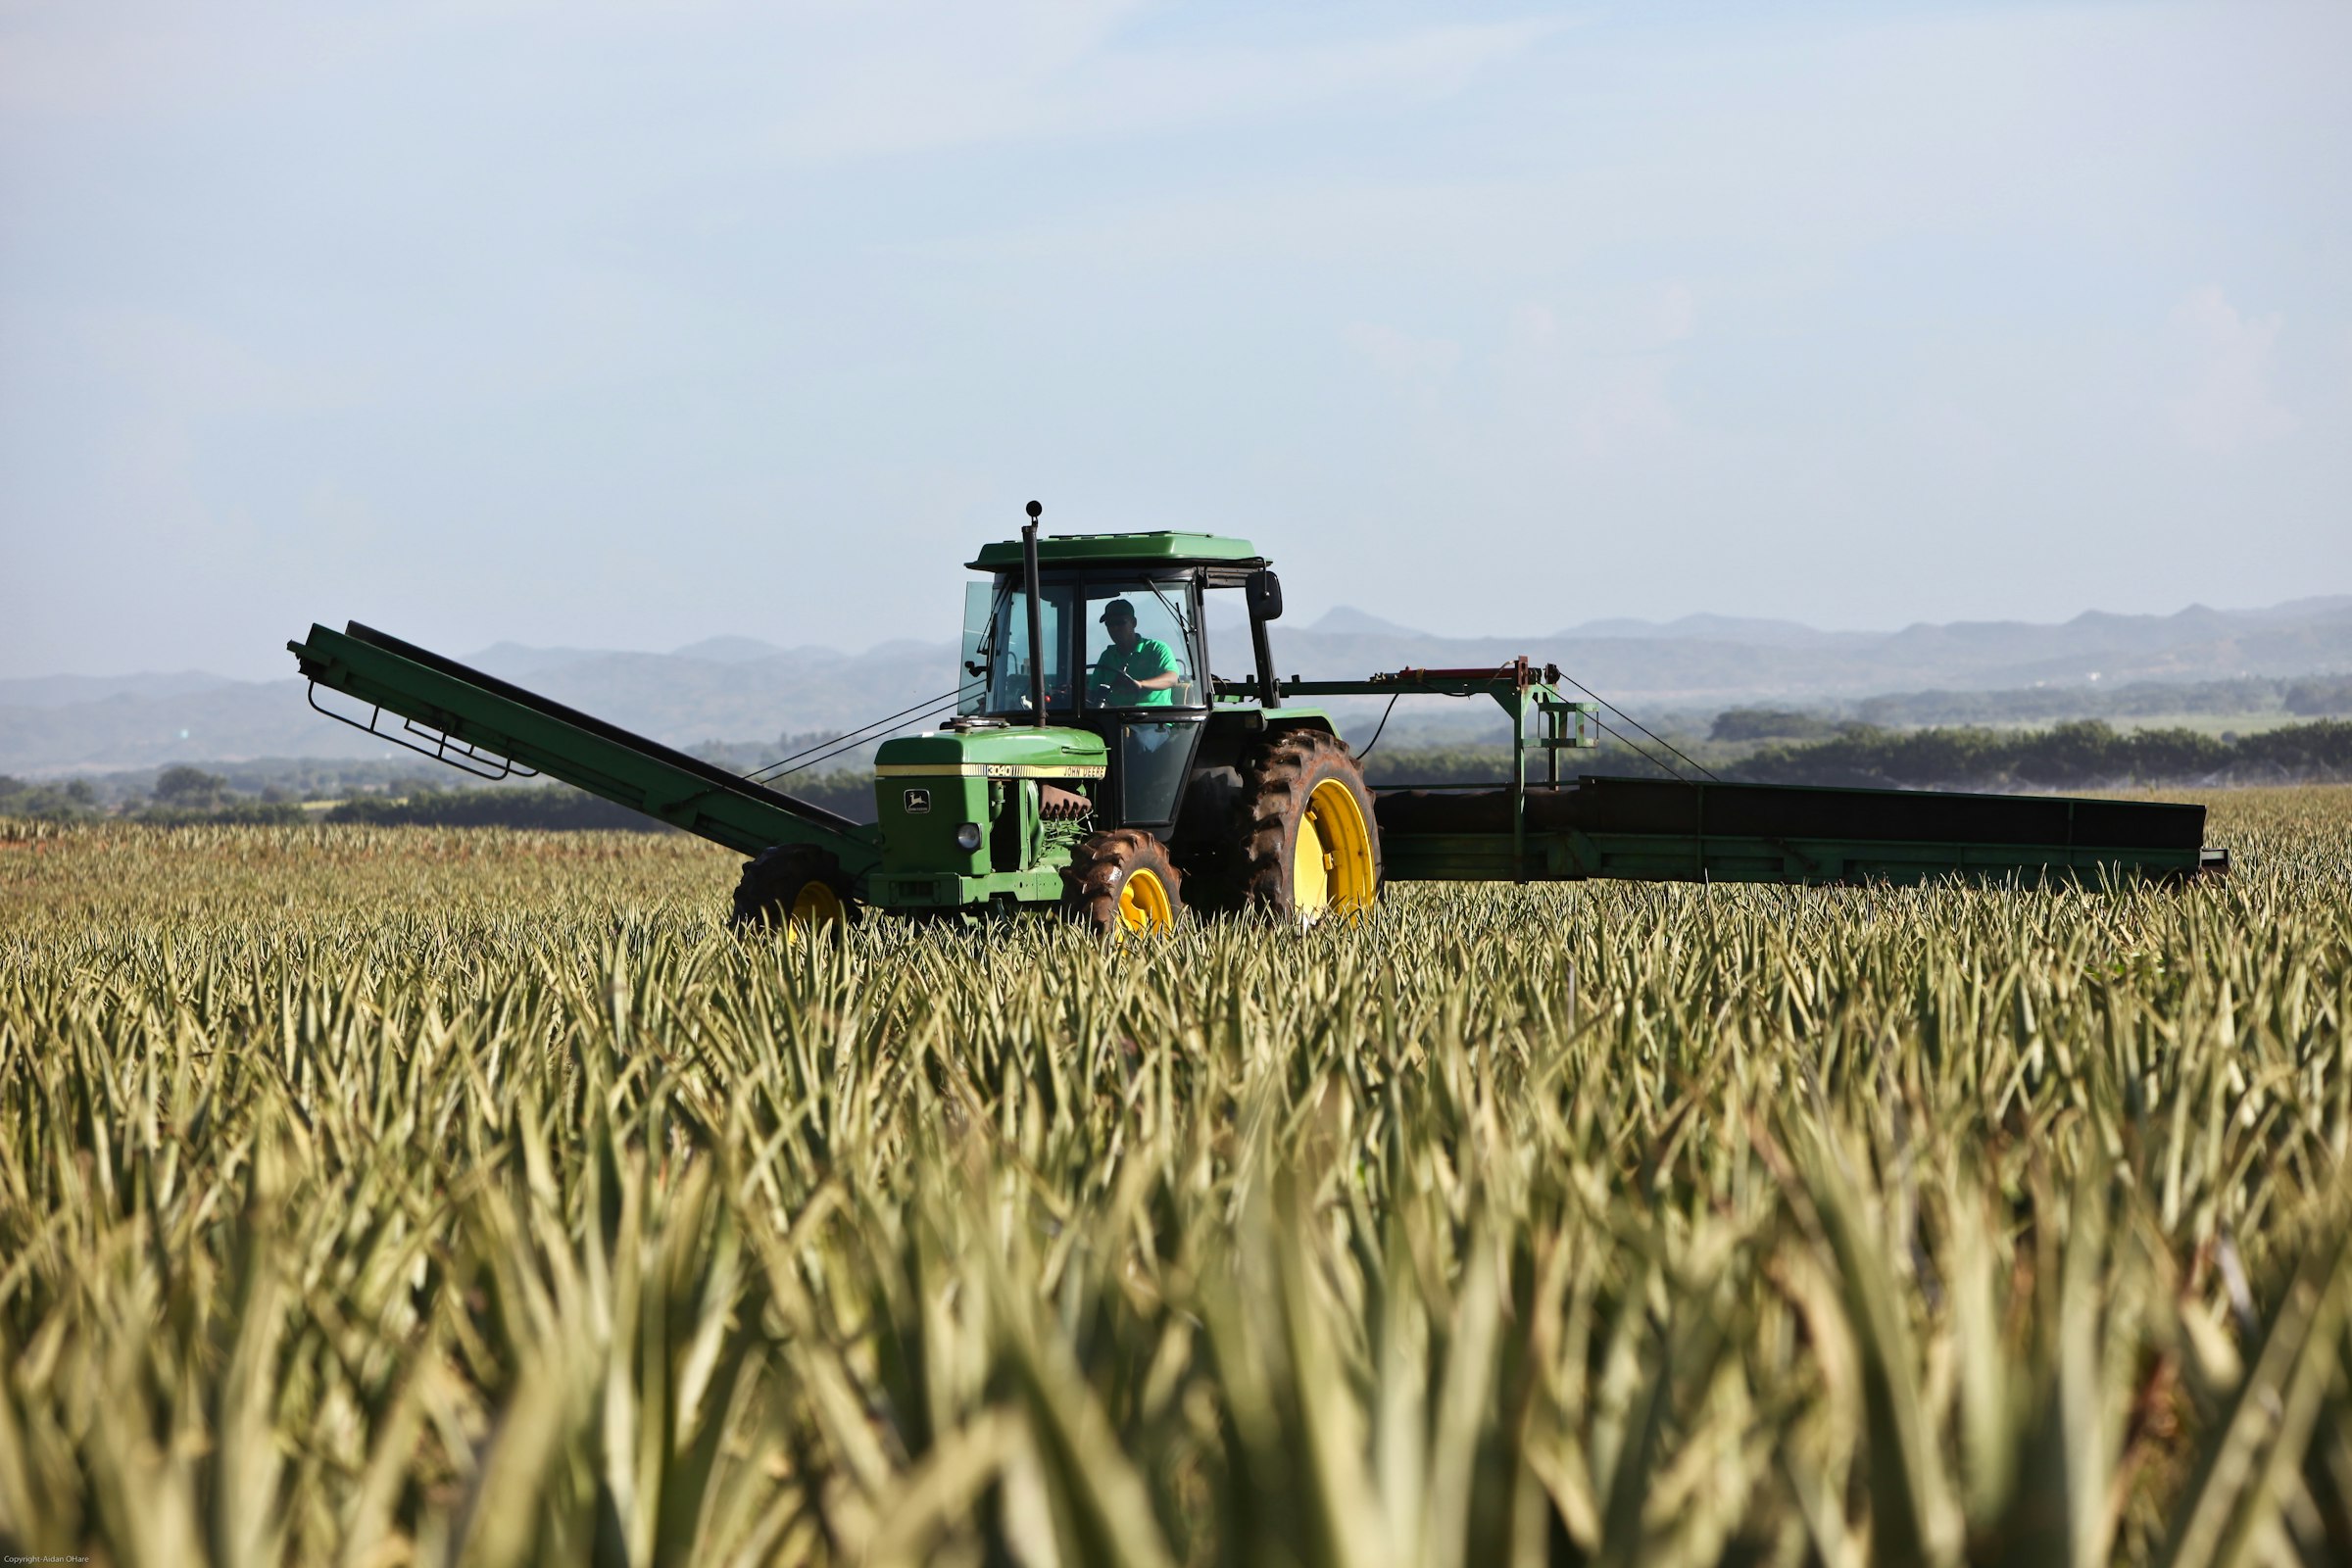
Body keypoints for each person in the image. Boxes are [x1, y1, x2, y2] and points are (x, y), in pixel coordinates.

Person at [1087, 598, 1181, 708]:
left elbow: (1172, 679)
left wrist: (1140, 684)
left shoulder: (1157, 648)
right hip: (1115, 714)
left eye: (1120, 622)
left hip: (1153, 715)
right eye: (1110, 624)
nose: (1115, 628)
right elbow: (1092, 692)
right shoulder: (1107, 655)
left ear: (1134, 623)